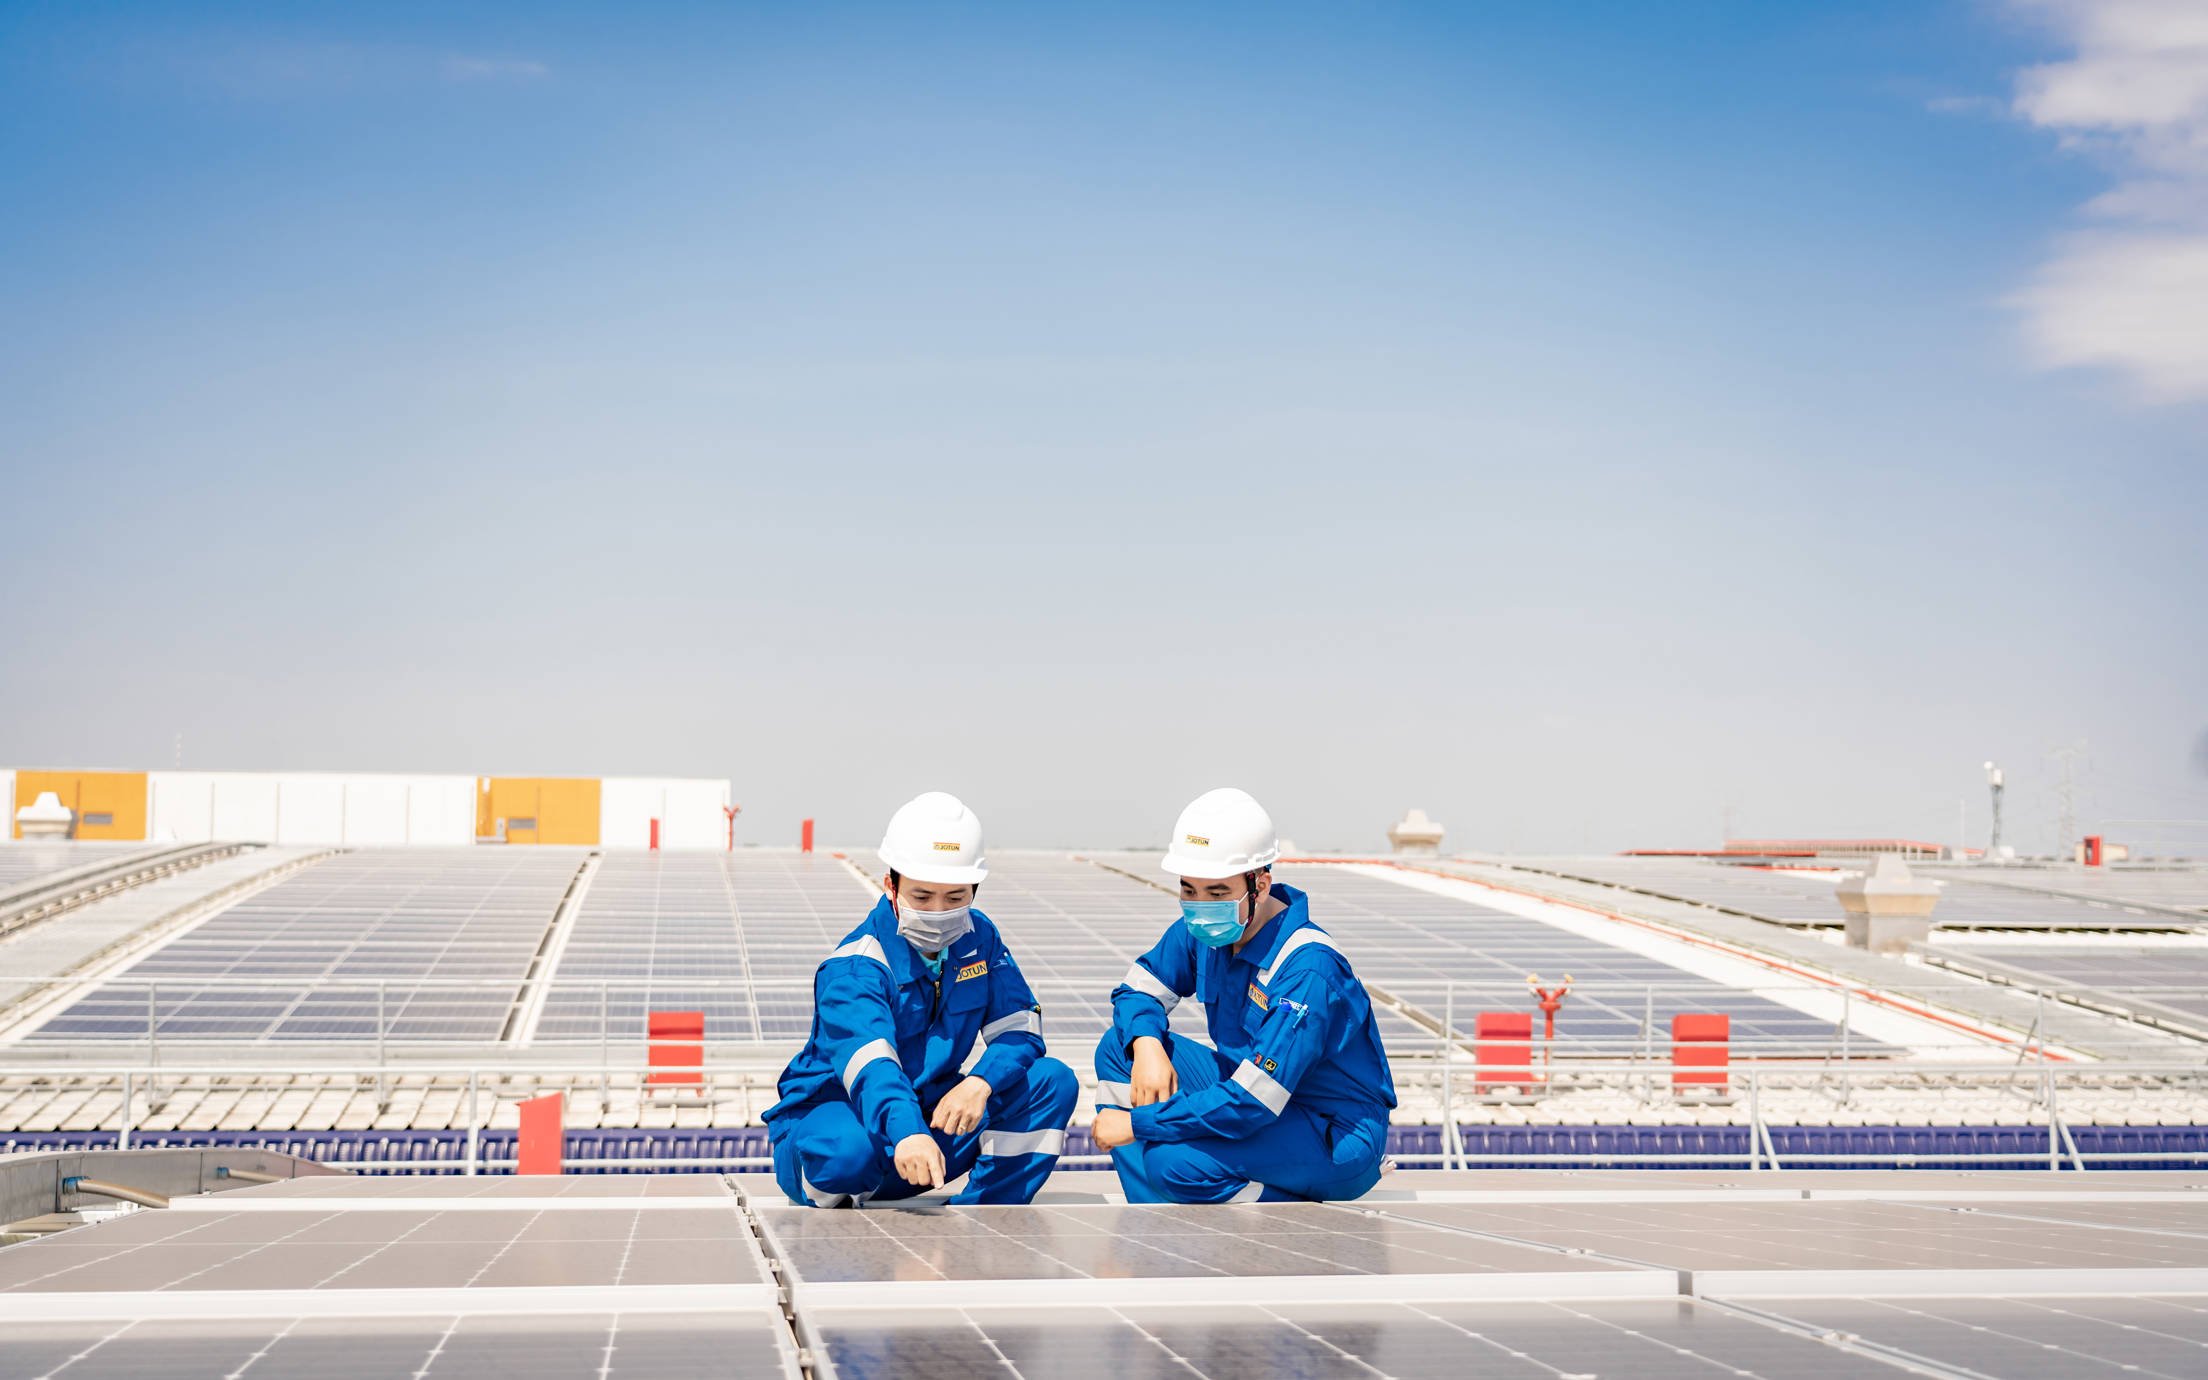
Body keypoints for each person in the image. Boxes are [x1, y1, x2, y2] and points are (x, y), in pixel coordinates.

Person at [766, 792, 1076, 1206]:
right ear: (891, 885)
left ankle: (986, 1213)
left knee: (1050, 1081)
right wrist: (908, 1132)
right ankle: (839, 1196)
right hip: (842, 1119)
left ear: (974, 890)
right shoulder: (855, 968)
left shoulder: (978, 938)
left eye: (955, 898)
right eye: (922, 896)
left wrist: (980, 1083)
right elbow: (873, 1068)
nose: (938, 912)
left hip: (927, 1124)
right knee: (846, 1153)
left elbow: (1020, 1028)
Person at [1089, 787, 1397, 1203]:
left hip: (1330, 1132)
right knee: (1118, 1048)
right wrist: (1145, 1045)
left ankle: (1288, 1213)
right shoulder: (1207, 932)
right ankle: (1152, 1207)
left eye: (1216, 892)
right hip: (1252, 1098)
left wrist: (1138, 1125)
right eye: (1189, 889)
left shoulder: (1307, 969)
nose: (1199, 905)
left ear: (1261, 884)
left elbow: (1254, 1099)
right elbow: (1137, 989)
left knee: (1174, 1163)